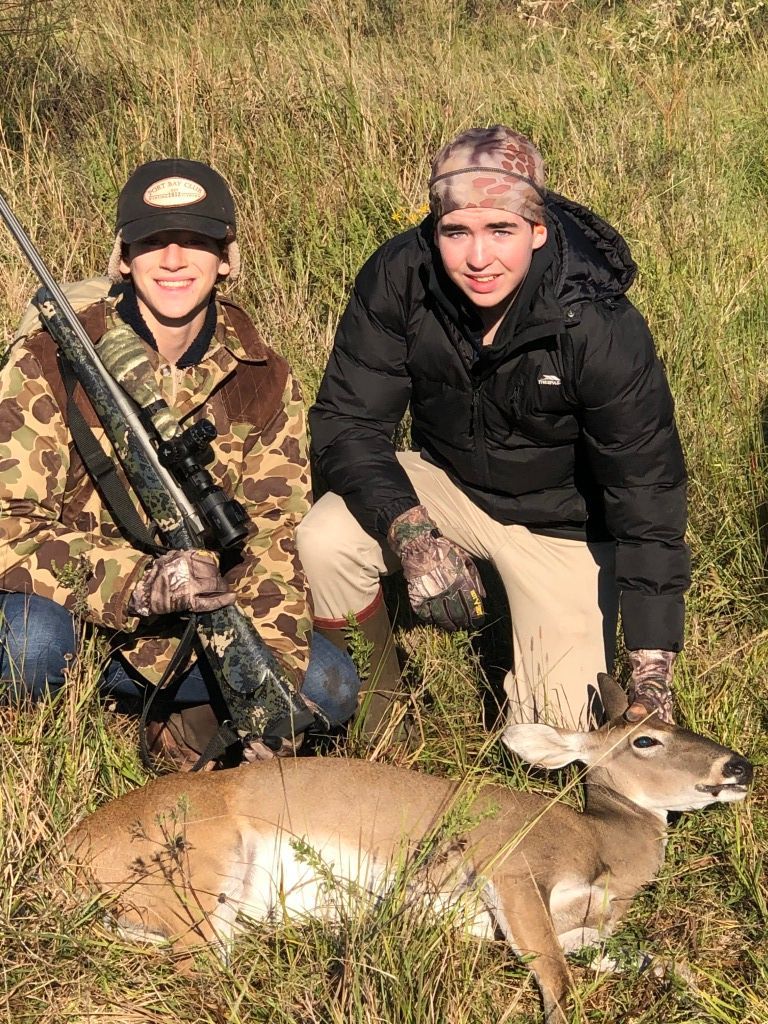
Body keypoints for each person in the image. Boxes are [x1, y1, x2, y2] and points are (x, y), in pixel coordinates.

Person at [296, 126, 689, 731]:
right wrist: (413, 533)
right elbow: (348, 422)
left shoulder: (598, 324)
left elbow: (647, 495)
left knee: (562, 730)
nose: (478, 259)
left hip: (563, 529)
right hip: (448, 485)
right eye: (457, 233)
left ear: (538, 229)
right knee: (325, 539)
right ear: (436, 229)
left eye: (501, 230)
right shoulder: (400, 275)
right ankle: (374, 721)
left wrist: (651, 673)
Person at [0, 158, 360, 767]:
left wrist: (265, 683)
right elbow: (9, 523)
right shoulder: (49, 358)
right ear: (122, 257)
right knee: (30, 646)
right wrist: (136, 584)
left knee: (326, 688)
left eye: (196, 242)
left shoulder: (264, 377)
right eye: (152, 242)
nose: (173, 261)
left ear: (228, 259)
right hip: (74, 610)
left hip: (197, 617)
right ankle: (55, 732)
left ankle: (185, 729)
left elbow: (273, 536)